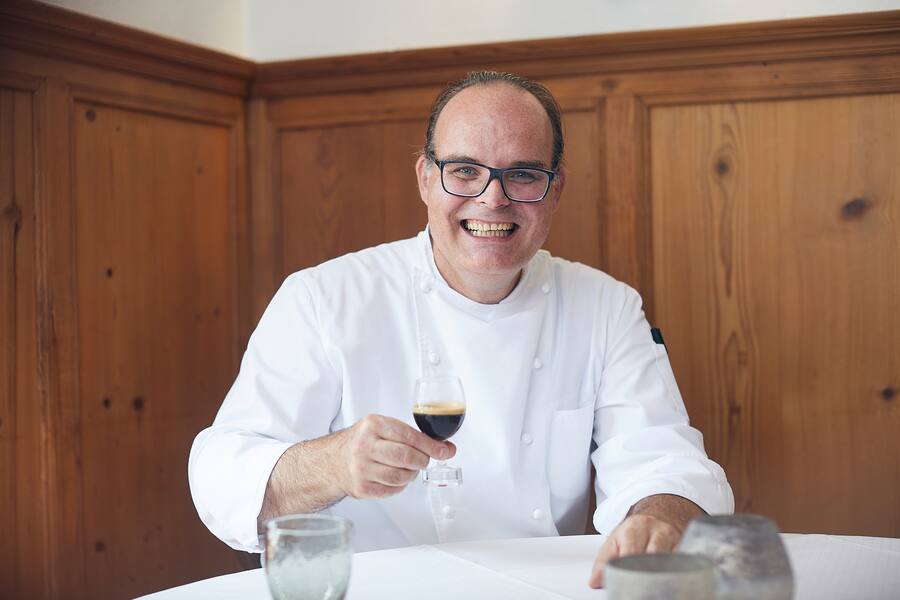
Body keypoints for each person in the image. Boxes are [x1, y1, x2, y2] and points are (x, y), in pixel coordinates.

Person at [189, 71, 734, 588]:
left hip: (537, 590)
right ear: (426, 179)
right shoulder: (323, 298)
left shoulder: (606, 307)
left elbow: (663, 458)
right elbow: (223, 474)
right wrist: (329, 463)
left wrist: (662, 517)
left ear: (556, 187)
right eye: (465, 170)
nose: (493, 198)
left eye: (523, 173)